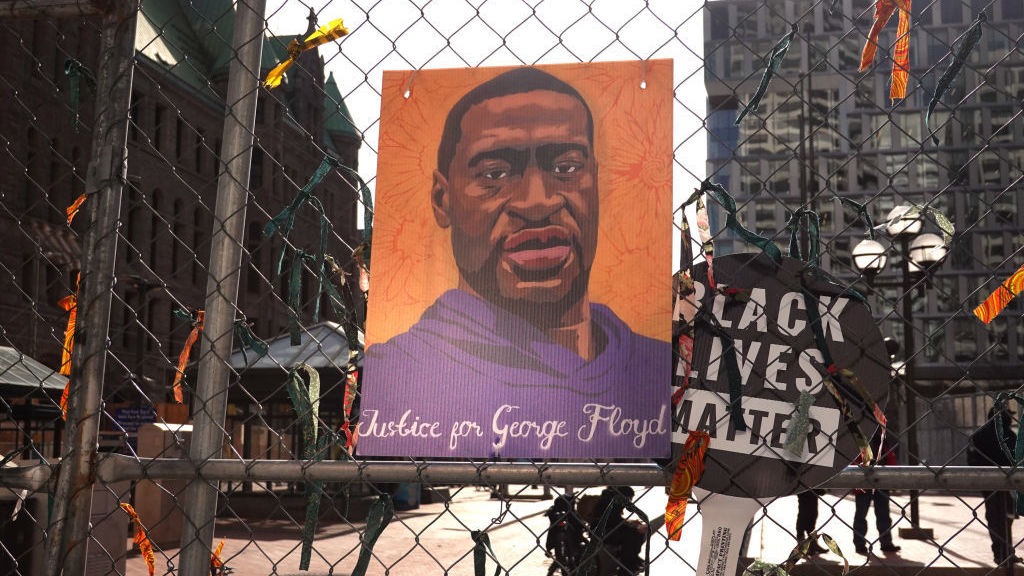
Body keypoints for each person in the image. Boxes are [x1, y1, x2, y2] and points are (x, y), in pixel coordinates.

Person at [359, 67, 670, 458]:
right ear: (443, 199)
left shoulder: (660, 371)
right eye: (495, 173)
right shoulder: (393, 377)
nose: (537, 202)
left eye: (567, 168)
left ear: (596, 182)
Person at [968, 403, 1021, 566]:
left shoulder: (978, 435)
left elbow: (971, 461)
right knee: (1006, 517)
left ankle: (1001, 553)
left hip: (987, 483)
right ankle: (1005, 552)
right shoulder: (1009, 435)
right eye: (1008, 416)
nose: (1011, 419)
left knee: (995, 517)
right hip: (1006, 483)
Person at [852, 430, 900, 555]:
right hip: (864, 483)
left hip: (880, 482)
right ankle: (860, 544)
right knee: (861, 515)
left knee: (883, 514)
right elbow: (854, 461)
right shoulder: (860, 440)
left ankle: (885, 542)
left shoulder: (881, 440)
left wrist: (891, 479)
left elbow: (890, 458)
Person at [795, 490, 827, 555]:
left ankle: (813, 545)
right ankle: (803, 547)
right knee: (802, 525)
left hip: (812, 503)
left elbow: (822, 492)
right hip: (805, 501)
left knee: (811, 525)